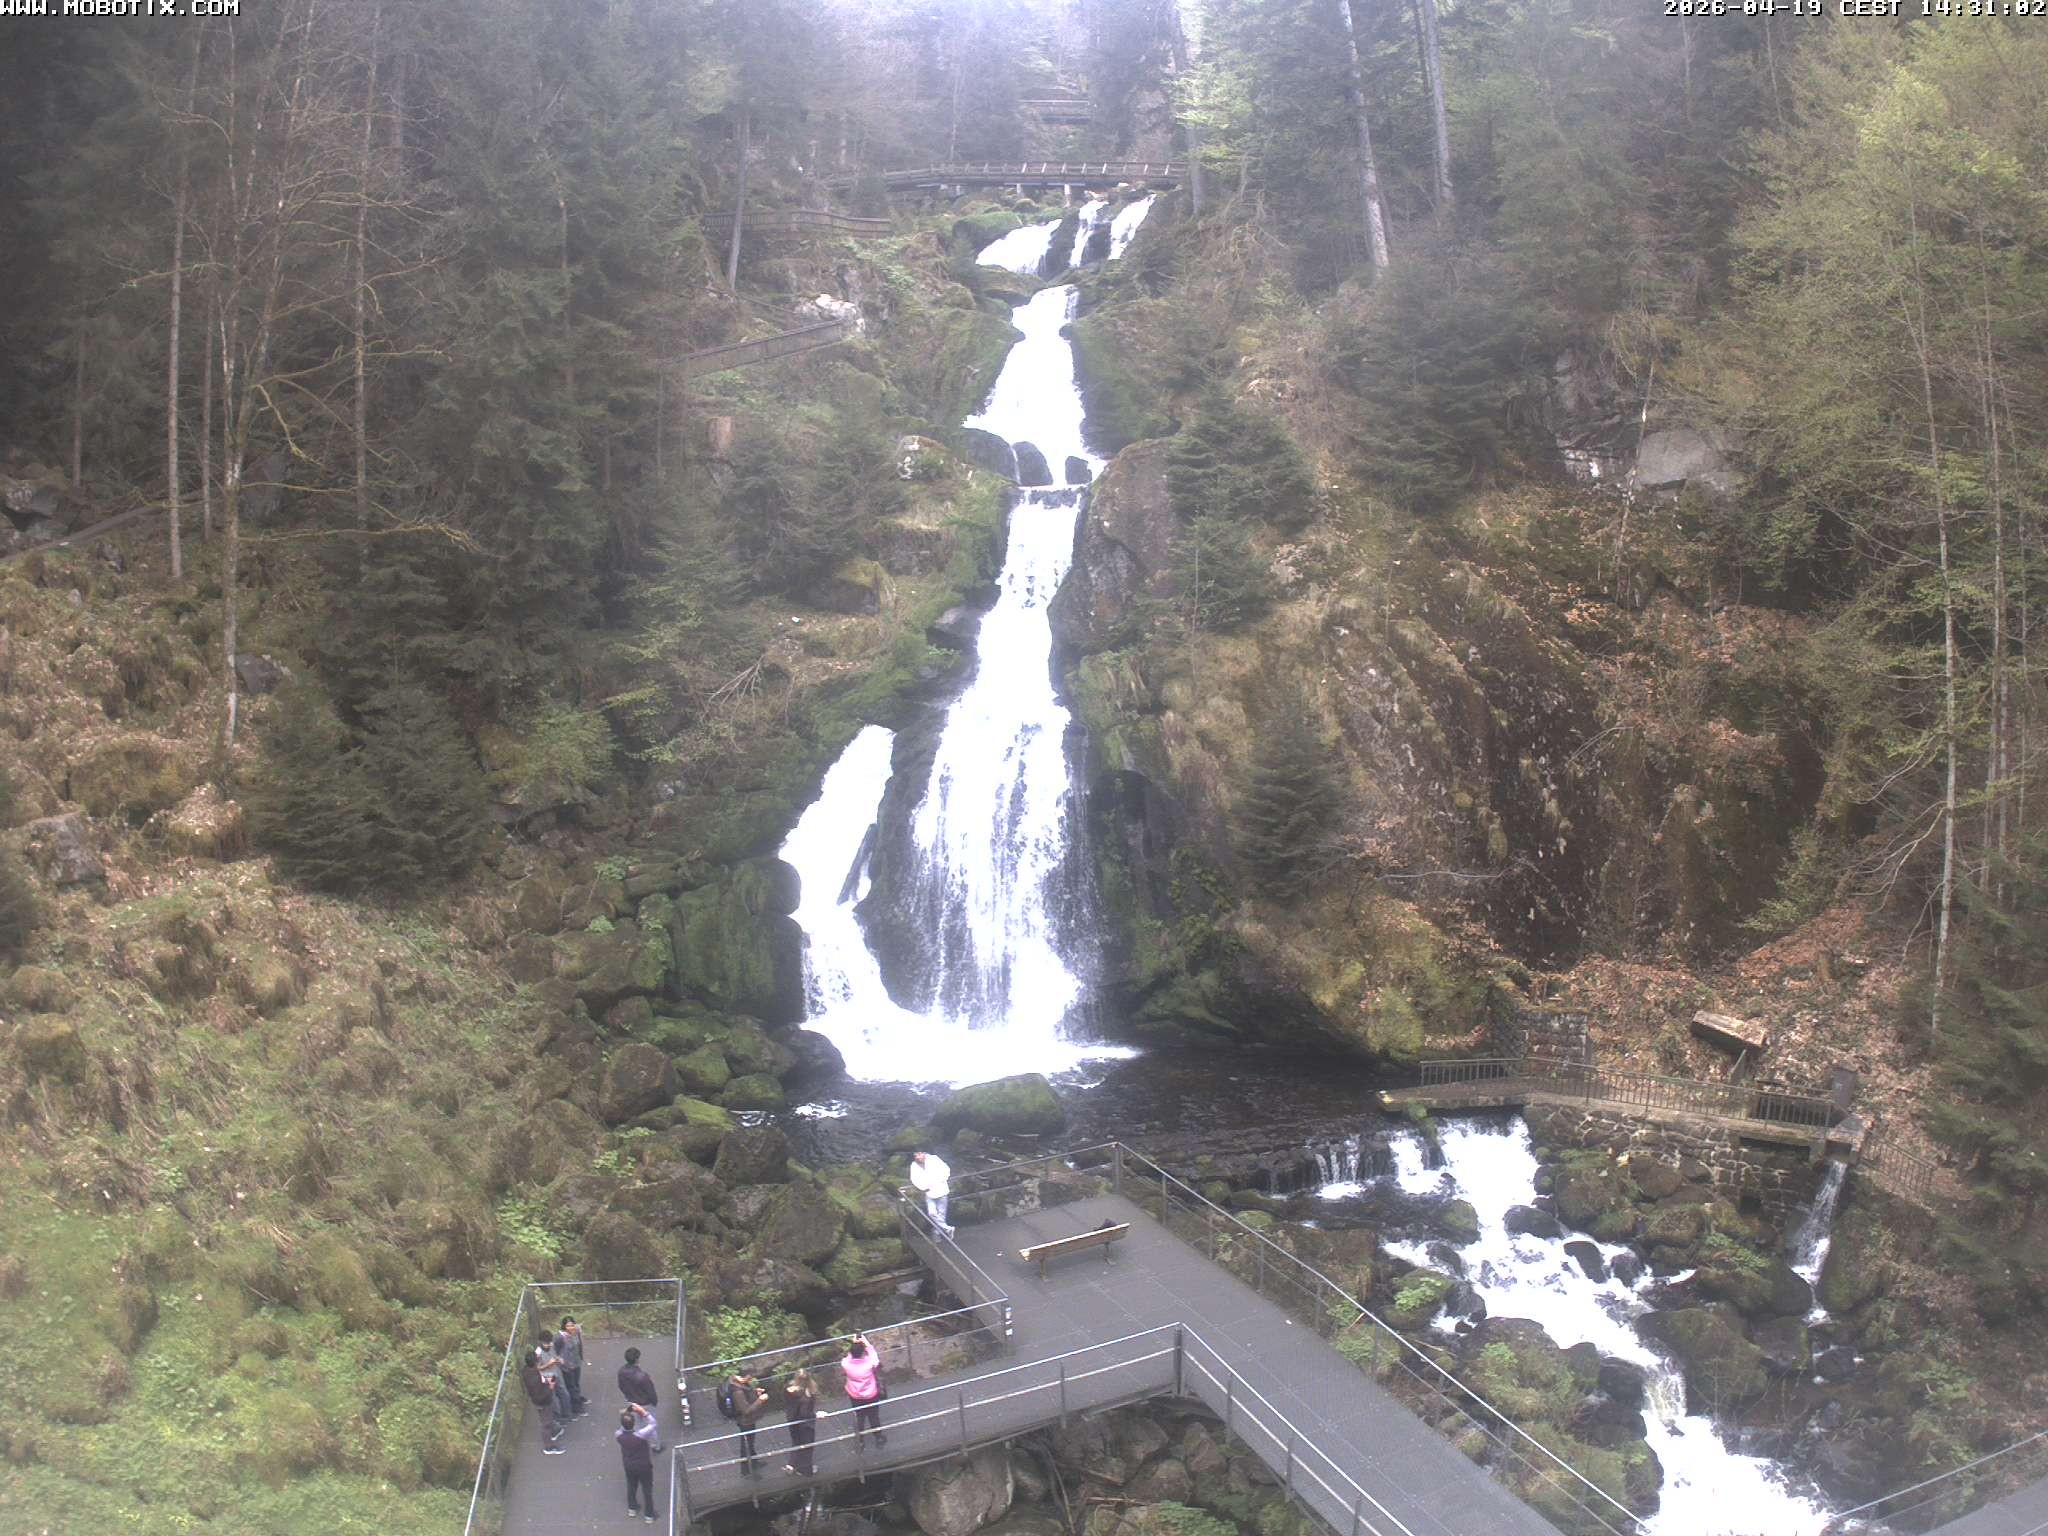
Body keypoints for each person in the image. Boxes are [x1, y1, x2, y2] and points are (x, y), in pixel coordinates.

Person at [841, 1333, 885, 1449]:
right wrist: (866, 1343)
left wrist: (854, 1343)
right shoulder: (869, 1363)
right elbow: (874, 1356)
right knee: (874, 1416)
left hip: (855, 1396)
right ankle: (878, 1437)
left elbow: (849, 1356)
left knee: (859, 1417)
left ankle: (860, 1440)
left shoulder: (845, 1364)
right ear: (862, 1352)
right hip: (871, 1395)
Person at [617, 1405, 660, 1522]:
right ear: (634, 1423)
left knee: (631, 1485)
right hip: (643, 1465)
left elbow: (623, 1423)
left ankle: (632, 1508)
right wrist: (643, 1412)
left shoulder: (619, 1435)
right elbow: (653, 1424)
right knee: (647, 1489)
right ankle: (649, 1515)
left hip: (628, 1464)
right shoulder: (641, 1435)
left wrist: (626, 1412)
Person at [618, 1347, 662, 1452]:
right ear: (637, 1359)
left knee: (636, 1423)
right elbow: (651, 1392)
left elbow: (621, 1386)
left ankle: (638, 1442)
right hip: (645, 1403)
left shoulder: (621, 1372)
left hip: (632, 1402)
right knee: (650, 1424)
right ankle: (655, 1445)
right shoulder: (642, 1376)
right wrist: (654, 1402)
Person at [727, 1369, 771, 1476]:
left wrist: (755, 1392)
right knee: (746, 1445)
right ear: (742, 1377)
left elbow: (747, 1394)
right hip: (745, 1421)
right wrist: (760, 1400)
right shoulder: (737, 1391)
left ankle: (754, 1462)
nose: (750, 1379)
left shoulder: (739, 1384)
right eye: (749, 1377)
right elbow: (746, 1410)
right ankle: (746, 1471)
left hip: (749, 1420)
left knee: (750, 1443)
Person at [524, 1347, 565, 1454]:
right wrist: (550, 1387)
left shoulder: (527, 1371)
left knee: (548, 1418)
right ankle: (549, 1447)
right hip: (543, 1402)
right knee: (545, 1423)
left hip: (538, 1400)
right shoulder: (534, 1378)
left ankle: (555, 1429)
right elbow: (540, 1394)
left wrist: (545, 1381)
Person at [783, 1367, 819, 1476]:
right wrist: (816, 1415)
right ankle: (805, 1470)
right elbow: (805, 1413)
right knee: (807, 1446)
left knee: (796, 1441)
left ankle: (792, 1464)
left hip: (792, 1419)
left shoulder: (788, 1389)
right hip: (805, 1424)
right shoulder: (806, 1394)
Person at [910, 1150, 954, 1239]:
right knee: (932, 1213)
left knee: (941, 1214)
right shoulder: (914, 1165)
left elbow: (946, 1169)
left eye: (919, 1154)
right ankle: (948, 1229)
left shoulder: (934, 1159)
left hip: (941, 1190)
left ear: (924, 1153)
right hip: (929, 1192)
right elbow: (914, 1179)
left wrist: (941, 1180)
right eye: (916, 1155)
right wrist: (923, 1187)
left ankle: (937, 1234)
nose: (917, 1157)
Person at [536, 1332, 573, 1429]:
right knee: (553, 1401)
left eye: (549, 1342)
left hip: (556, 1372)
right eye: (546, 1343)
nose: (548, 1345)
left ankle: (567, 1414)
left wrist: (558, 1359)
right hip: (548, 1377)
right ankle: (558, 1419)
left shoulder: (551, 1346)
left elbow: (555, 1355)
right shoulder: (538, 1353)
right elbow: (538, 1368)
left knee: (564, 1393)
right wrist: (549, 1364)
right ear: (540, 1342)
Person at [556, 1315, 589, 1416]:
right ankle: (576, 1407)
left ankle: (577, 1398)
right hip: (567, 1366)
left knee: (576, 1383)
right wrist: (559, 1359)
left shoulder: (576, 1333)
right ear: (564, 1326)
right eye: (568, 1326)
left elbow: (579, 1331)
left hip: (576, 1362)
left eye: (572, 1325)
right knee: (571, 1386)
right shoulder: (561, 1337)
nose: (570, 1328)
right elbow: (555, 1350)